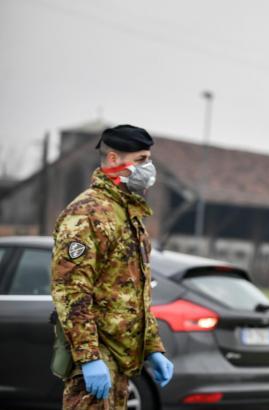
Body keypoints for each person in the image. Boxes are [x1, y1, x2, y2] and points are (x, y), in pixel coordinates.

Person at [51, 124, 173, 409]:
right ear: (115, 159)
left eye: (149, 160)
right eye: (142, 160)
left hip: (122, 360)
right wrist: (89, 357)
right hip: (95, 360)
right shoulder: (86, 212)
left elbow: (135, 292)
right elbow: (71, 289)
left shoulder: (128, 213)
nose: (149, 168)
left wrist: (152, 348)